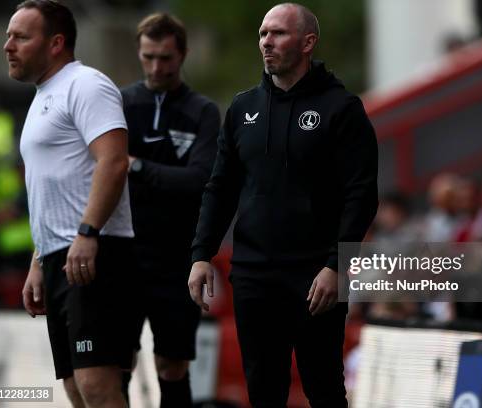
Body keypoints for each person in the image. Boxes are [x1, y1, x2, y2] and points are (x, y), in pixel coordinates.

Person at [188, 3, 378, 406]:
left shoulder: (342, 109)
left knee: (323, 386)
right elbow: (220, 187)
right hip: (254, 273)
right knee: (263, 389)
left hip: (316, 276)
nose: (266, 43)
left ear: (308, 42)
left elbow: (361, 195)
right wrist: (201, 253)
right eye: (262, 34)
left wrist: (336, 266)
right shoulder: (242, 109)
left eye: (277, 34)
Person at [6, 1, 134, 407]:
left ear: (56, 42)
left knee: (97, 384)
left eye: (21, 37)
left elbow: (113, 162)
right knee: (76, 390)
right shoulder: (44, 95)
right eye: (8, 36)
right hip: (59, 256)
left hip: (96, 252)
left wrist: (88, 233)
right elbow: (53, 189)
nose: (8, 45)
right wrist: (37, 261)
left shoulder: (86, 84)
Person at [121, 12, 220, 407]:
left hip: (178, 257)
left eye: (165, 58)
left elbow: (198, 179)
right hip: (124, 252)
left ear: (183, 55)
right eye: (148, 57)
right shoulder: (122, 101)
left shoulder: (202, 112)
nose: (156, 67)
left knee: (172, 364)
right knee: (117, 363)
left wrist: (137, 166)